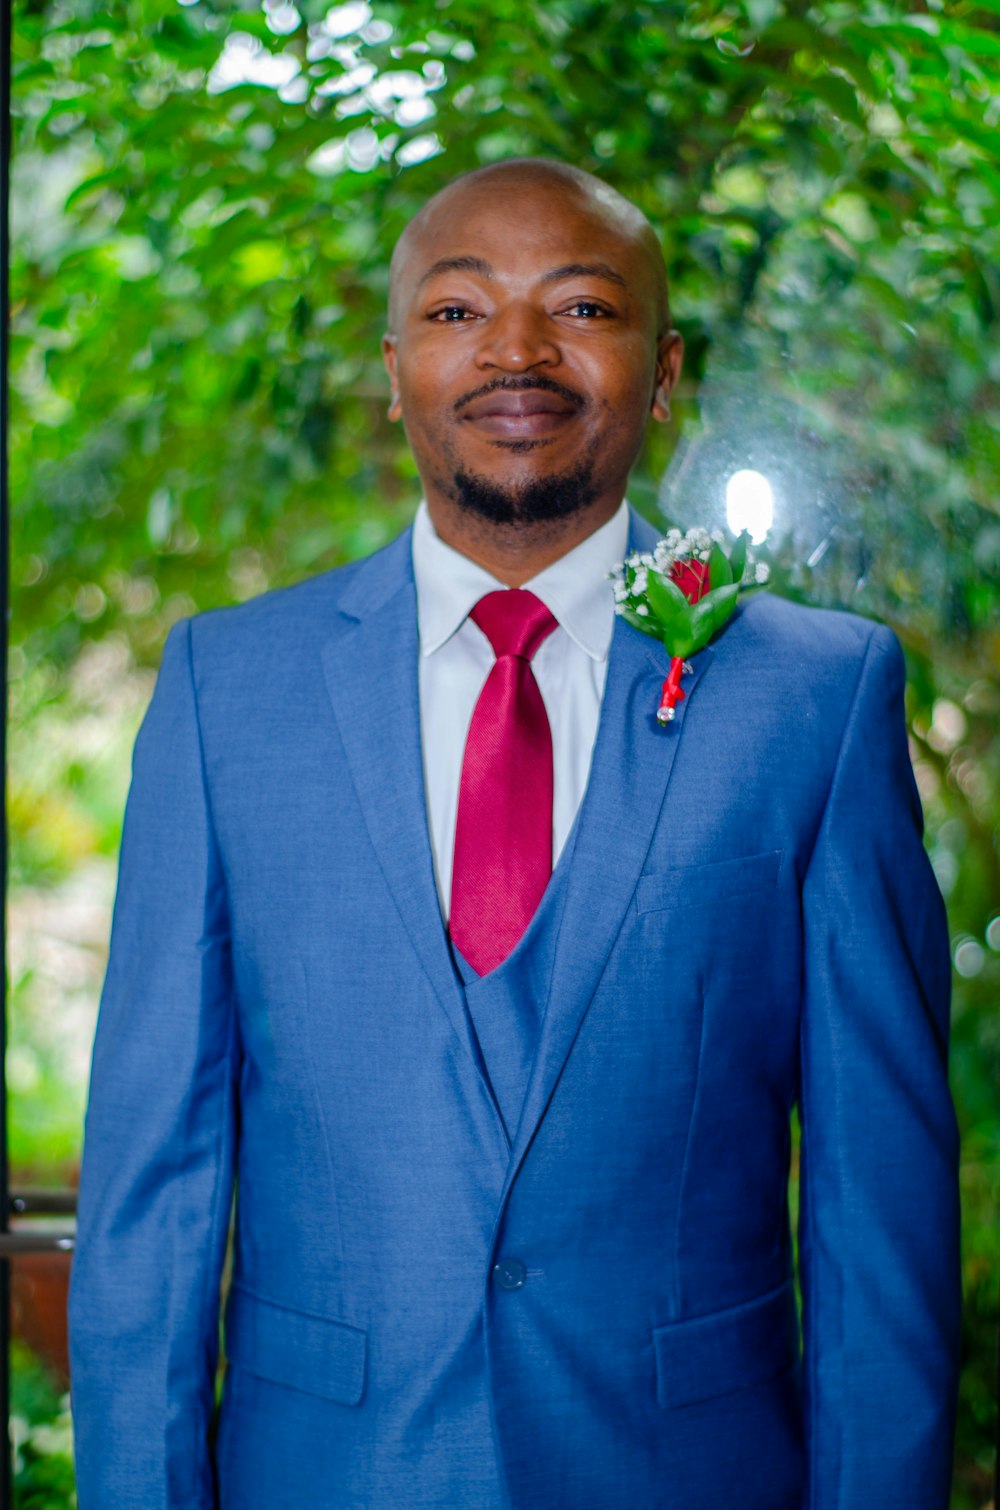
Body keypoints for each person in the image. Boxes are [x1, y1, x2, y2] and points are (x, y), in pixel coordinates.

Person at [68, 158, 961, 1510]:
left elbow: (878, 1210)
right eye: (457, 311)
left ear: (665, 374)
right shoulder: (222, 692)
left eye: (582, 307)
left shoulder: (818, 698)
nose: (518, 352)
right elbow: (153, 1194)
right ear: (393, 369)